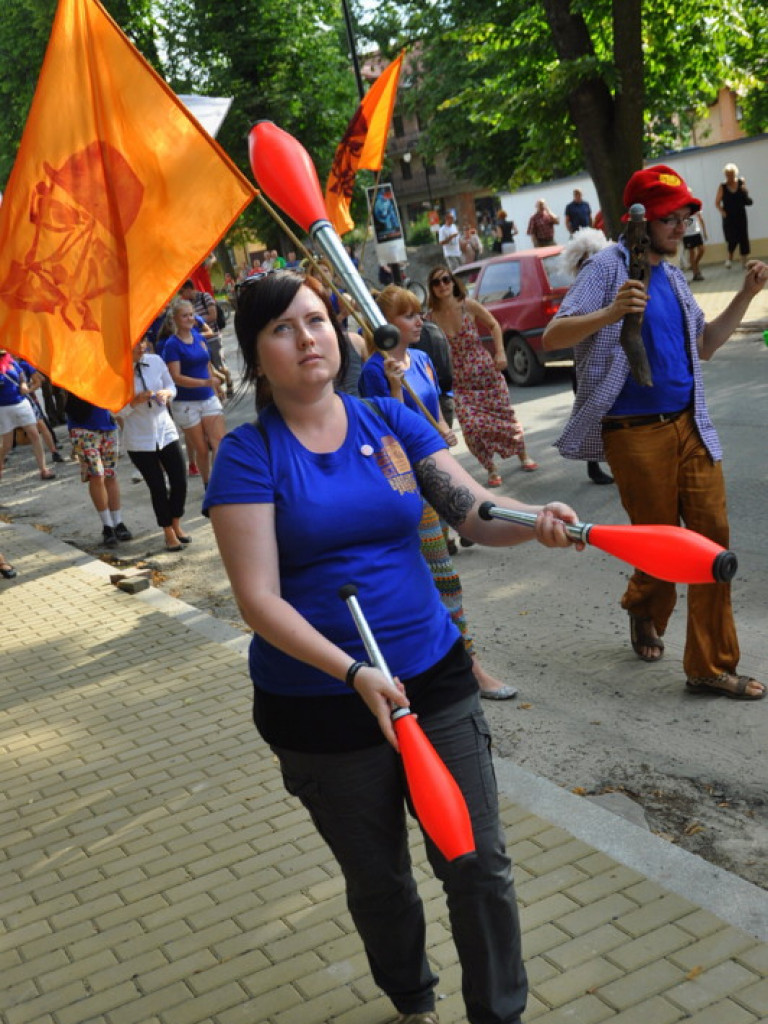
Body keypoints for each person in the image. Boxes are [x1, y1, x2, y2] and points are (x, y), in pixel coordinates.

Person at [202, 269, 581, 1024]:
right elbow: (259, 600)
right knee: (380, 881)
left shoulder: (389, 420)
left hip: (433, 676)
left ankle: (497, 1014)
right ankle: (413, 1002)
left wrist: (535, 515)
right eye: (282, 328)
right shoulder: (249, 456)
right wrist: (352, 671)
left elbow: (471, 511)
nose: (307, 338)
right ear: (256, 351)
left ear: (339, 331)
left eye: (316, 320)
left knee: (477, 864)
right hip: (322, 704)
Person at [542, 163, 768, 701]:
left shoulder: (671, 275)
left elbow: (707, 346)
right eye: (671, 218)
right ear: (639, 223)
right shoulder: (606, 267)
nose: (682, 225)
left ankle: (709, 666)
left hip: (690, 426)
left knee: (712, 545)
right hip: (634, 433)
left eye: (686, 215)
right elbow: (553, 336)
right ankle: (643, 606)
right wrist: (613, 310)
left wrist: (745, 294)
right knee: (662, 548)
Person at [360, 284, 517, 700]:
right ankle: (471, 669)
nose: (418, 321)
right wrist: (394, 388)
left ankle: (442, 665)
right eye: (408, 316)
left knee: (435, 578)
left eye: (417, 313)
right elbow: (385, 432)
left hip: (438, 476)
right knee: (443, 577)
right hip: (405, 484)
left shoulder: (425, 359)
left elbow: (435, 404)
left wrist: (443, 425)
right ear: (386, 326)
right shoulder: (375, 370)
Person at [426, 264, 538, 486]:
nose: (442, 285)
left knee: (504, 417)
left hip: (485, 372)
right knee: (470, 426)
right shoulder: (431, 318)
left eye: (446, 280)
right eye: (436, 282)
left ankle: (523, 454)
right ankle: (491, 467)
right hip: (459, 379)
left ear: (453, 282)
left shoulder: (467, 305)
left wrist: (500, 352)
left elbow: (494, 325)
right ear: (432, 288)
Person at [118, 339, 190, 552]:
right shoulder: (117, 372)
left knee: (180, 479)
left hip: (165, 431)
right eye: (135, 344)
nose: (142, 346)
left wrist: (167, 394)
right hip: (139, 439)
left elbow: (171, 386)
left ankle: (176, 522)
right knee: (157, 486)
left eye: (144, 342)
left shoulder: (156, 360)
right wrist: (134, 402)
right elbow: (115, 411)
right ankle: (167, 530)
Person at [558, 228, 615, 486]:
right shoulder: (579, 290)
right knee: (590, 413)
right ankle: (593, 464)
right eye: (583, 261)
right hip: (585, 364)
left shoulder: (607, 282)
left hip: (609, 360)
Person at [162, 297, 227, 487]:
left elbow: (206, 363)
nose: (190, 319)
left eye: (192, 314)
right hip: (185, 403)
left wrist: (216, 386)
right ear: (175, 319)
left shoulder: (198, 337)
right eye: (185, 316)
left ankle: (219, 484)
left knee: (219, 442)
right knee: (201, 448)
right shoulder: (172, 345)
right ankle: (208, 484)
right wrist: (205, 382)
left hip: (208, 398)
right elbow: (176, 377)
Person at [65, 393, 132, 547]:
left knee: (111, 475)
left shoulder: (105, 370)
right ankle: (107, 526)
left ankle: (118, 522)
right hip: (82, 426)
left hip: (108, 425)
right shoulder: (73, 372)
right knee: (97, 475)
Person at [0, 350, 56, 481]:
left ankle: (43, 469)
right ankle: (0, 462)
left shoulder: (11, 362)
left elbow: (21, 376)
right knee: (7, 444)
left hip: (21, 403)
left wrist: (24, 385)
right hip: (3, 408)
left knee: (35, 435)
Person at [179, 280, 234, 396]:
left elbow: (213, 316)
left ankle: (228, 379)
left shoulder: (205, 297)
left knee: (219, 366)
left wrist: (196, 321)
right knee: (207, 367)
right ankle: (219, 389)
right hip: (199, 340)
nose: (181, 295)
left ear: (189, 289)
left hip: (212, 337)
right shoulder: (188, 304)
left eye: (182, 292)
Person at [715, 164, 752, 269]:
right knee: (732, 238)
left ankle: (744, 261)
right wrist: (723, 212)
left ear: (735, 174)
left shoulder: (740, 183)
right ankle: (729, 258)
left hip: (740, 214)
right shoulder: (722, 186)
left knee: (743, 237)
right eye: (727, 175)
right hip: (729, 217)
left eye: (731, 175)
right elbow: (717, 202)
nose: (729, 177)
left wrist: (745, 190)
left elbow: (746, 197)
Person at [682, 211, 707, 282]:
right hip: (687, 234)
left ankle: (694, 264)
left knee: (702, 250)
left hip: (696, 232)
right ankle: (696, 274)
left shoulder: (695, 207)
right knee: (692, 253)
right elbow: (681, 221)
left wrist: (704, 232)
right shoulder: (682, 208)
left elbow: (700, 219)